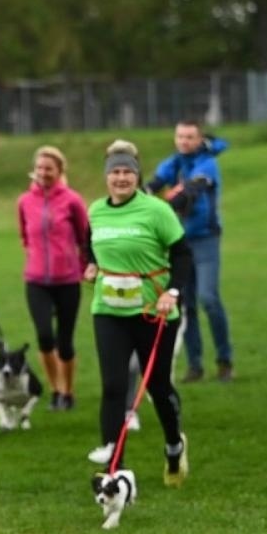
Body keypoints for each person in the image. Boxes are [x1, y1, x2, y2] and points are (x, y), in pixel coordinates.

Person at [82, 145, 193, 486]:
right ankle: (114, 469)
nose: (121, 178)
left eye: (127, 172)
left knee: (157, 386)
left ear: (137, 176)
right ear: (107, 177)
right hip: (109, 311)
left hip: (151, 312)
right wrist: (91, 264)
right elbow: (91, 243)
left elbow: (182, 256)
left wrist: (171, 293)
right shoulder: (96, 210)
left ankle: (175, 445)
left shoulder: (156, 210)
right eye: (115, 172)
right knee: (113, 386)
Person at [147, 120, 233, 383]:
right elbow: (153, 184)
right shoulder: (173, 163)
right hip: (180, 243)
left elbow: (190, 193)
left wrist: (166, 202)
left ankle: (224, 361)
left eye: (190, 137)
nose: (184, 141)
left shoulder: (208, 164)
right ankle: (195, 366)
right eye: (180, 136)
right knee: (186, 306)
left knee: (209, 298)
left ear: (199, 139)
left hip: (206, 240)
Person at [16, 145, 90, 411]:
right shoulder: (24, 201)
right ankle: (55, 389)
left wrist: (82, 269)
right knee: (45, 337)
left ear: (59, 171)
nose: (43, 173)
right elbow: (25, 236)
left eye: (49, 168)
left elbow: (84, 239)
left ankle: (68, 391)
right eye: (40, 168)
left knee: (65, 342)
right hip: (36, 281)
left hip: (68, 280)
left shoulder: (72, 200)